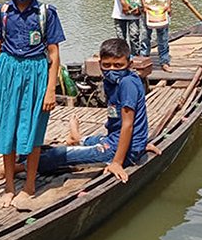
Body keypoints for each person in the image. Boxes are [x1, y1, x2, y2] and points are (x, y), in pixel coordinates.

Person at [0, 0, 65, 210]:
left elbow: (53, 53)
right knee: (6, 130)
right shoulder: (2, 12)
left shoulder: (46, 14)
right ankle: (9, 186)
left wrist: (51, 89)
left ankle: (29, 186)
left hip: (36, 73)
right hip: (7, 73)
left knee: (32, 132)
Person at [36, 38, 155, 180]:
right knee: (95, 140)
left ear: (129, 64)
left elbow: (128, 125)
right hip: (114, 138)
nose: (112, 70)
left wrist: (117, 162)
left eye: (118, 65)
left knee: (59, 155)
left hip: (119, 150)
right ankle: (78, 139)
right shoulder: (111, 81)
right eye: (107, 65)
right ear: (100, 64)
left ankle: (18, 167)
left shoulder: (127, 83)